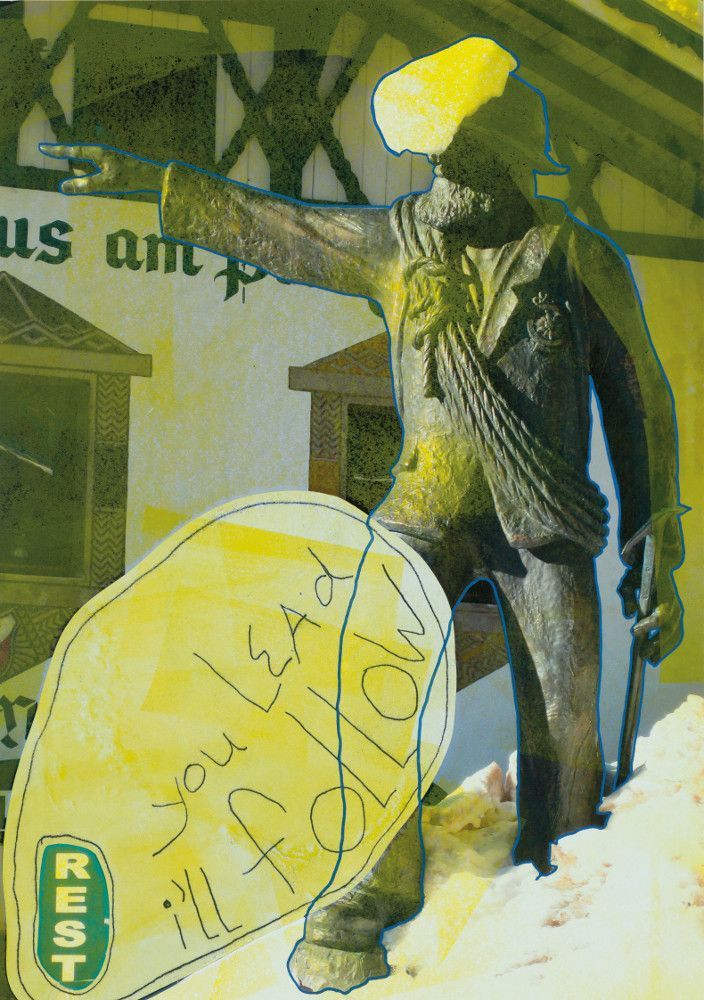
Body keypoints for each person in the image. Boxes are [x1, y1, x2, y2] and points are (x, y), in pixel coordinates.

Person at [41, 36, 683, 992]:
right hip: (425, 508)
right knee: (360, 681)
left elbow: (642, 400)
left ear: (509, 157)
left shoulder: (574, 255)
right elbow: (280, 227)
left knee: (567, 720)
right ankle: (363, 897)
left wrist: (654, 537)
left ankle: (555, 887)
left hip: (544, 520)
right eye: (442, 158)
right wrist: (155, 186)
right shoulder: (399, 243)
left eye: (464, 156)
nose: (446, 176)